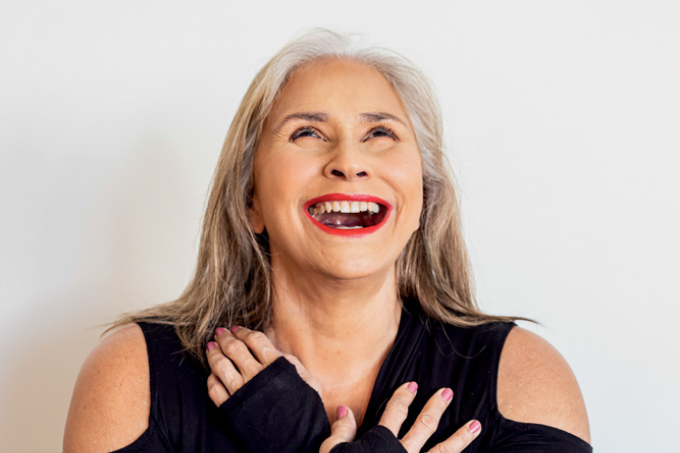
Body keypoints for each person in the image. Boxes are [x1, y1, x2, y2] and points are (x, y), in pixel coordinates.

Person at [63, 29, 592, 453]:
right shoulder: (134, 377)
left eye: (380, 133)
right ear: (251, 198)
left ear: (424, 197)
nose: (348, 161)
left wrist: (300, 445)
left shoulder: (522, 377)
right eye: (307, 133)